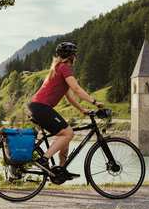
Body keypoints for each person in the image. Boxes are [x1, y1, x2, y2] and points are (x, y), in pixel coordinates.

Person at [28, 41, 103, 180]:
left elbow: (69, 96)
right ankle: (44, 160)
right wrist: (95, 102)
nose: (76, 58)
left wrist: (83, 110)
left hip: (38, 107)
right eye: (75, 55)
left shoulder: (58, 68)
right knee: (68, 133)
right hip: (41, 107)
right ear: (71, 56)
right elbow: (76, 89)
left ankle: (61, 169)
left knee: (65, 136)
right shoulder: (65, 68)